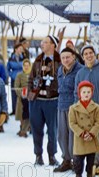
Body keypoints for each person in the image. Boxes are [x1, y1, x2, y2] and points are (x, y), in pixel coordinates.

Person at [28, 35, 61, 166]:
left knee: (52, 130)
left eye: (45, 42)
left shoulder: (59, 60)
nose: (42, 44)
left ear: (53, 45)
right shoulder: (37, 60)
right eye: (42, 42)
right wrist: (31, 94)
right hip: (37, 101)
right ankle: (38, 155)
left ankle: (52, 156)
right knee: (36, 129)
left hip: (52, 100)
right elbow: (31, 78)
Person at [55, 47, 83, 172]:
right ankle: (66, 160)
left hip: (74, 106)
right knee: (62, 135)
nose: (65, 60)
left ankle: (76, 160)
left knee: (73, 135)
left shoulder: (80, 70)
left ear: (73, 57)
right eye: (63, 58)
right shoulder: (60, 70)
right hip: (61, 105)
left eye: (68, 57)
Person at [68, 81, 99, 177]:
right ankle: (78, 176)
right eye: (84, 92)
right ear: (79, 93)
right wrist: (82, 133)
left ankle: (90, 176)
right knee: (78, 160)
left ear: (92, 93)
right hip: (80, 138)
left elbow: (98, 122)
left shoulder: (97, 107)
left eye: (88, 92)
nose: (86, 94)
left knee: (91, 160)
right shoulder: (73, 108)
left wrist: (91, 133)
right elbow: (72, 123)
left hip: (91, 138)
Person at [14, 59, 32, 138]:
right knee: (22, 114)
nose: (26, 67)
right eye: (25, 65)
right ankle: (22, 128)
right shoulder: (19, 75)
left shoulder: (33, 75)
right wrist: (22, 93)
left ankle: (26, 129)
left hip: (31, 98)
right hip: (22, 98)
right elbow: (16, 87)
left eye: (28, 65)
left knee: (29, 113)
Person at [7, 43, 24, 115]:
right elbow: (7, 69)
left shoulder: (24, 58)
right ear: (16, 49)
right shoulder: (11, 58)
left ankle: (23, 110)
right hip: (14, 78)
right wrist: (12, 75)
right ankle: (14, 109)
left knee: (22, 93)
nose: (21, 50)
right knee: (13, 93)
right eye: (20, 48)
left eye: (21, 49)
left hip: (22, 78)